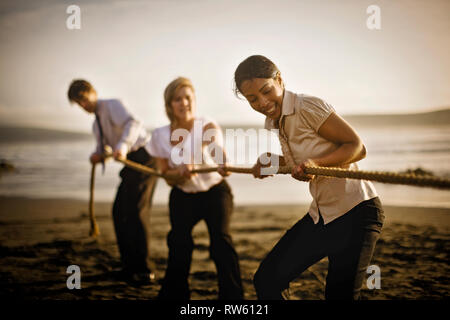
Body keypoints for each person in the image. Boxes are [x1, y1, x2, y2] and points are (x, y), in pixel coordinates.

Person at [233, 55, 384, 300]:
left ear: (279, 79)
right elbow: (304, 157)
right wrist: (273, 162)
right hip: (322, 216)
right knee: (267, 279)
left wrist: (316, 165)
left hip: (357, 213)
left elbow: (357, 146)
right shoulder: (274, 121)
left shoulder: (306, 106)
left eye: (266, 90)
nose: (262, 102)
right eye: (252, 99)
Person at [146, 77, 243, 300]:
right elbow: (165, 176)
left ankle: (233, 299)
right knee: (179, 242)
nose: (183, 103)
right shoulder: (159, 135)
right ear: (169, 104)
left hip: (215, 192)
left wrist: (222, 161)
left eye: (187, 98)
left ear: (194, 100)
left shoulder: (206, 124)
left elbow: (215, 147)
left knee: (221, 242)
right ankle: (174, 296)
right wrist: (177, 175)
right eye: (177, 99)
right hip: (183, 195)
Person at [67, 79, 158, 284]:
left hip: (145, 157)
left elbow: (134, 123)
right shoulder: (96, 124)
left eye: (83, 99)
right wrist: (96, 155)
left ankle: (145, 270)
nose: (83, 105)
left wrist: (123, 145)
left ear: (93, 92)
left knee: (137, 211)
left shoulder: (112, 105)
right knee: (118, 211)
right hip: (130, 162)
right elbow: (103, 148)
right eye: (78, 103)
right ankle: (128, 266)